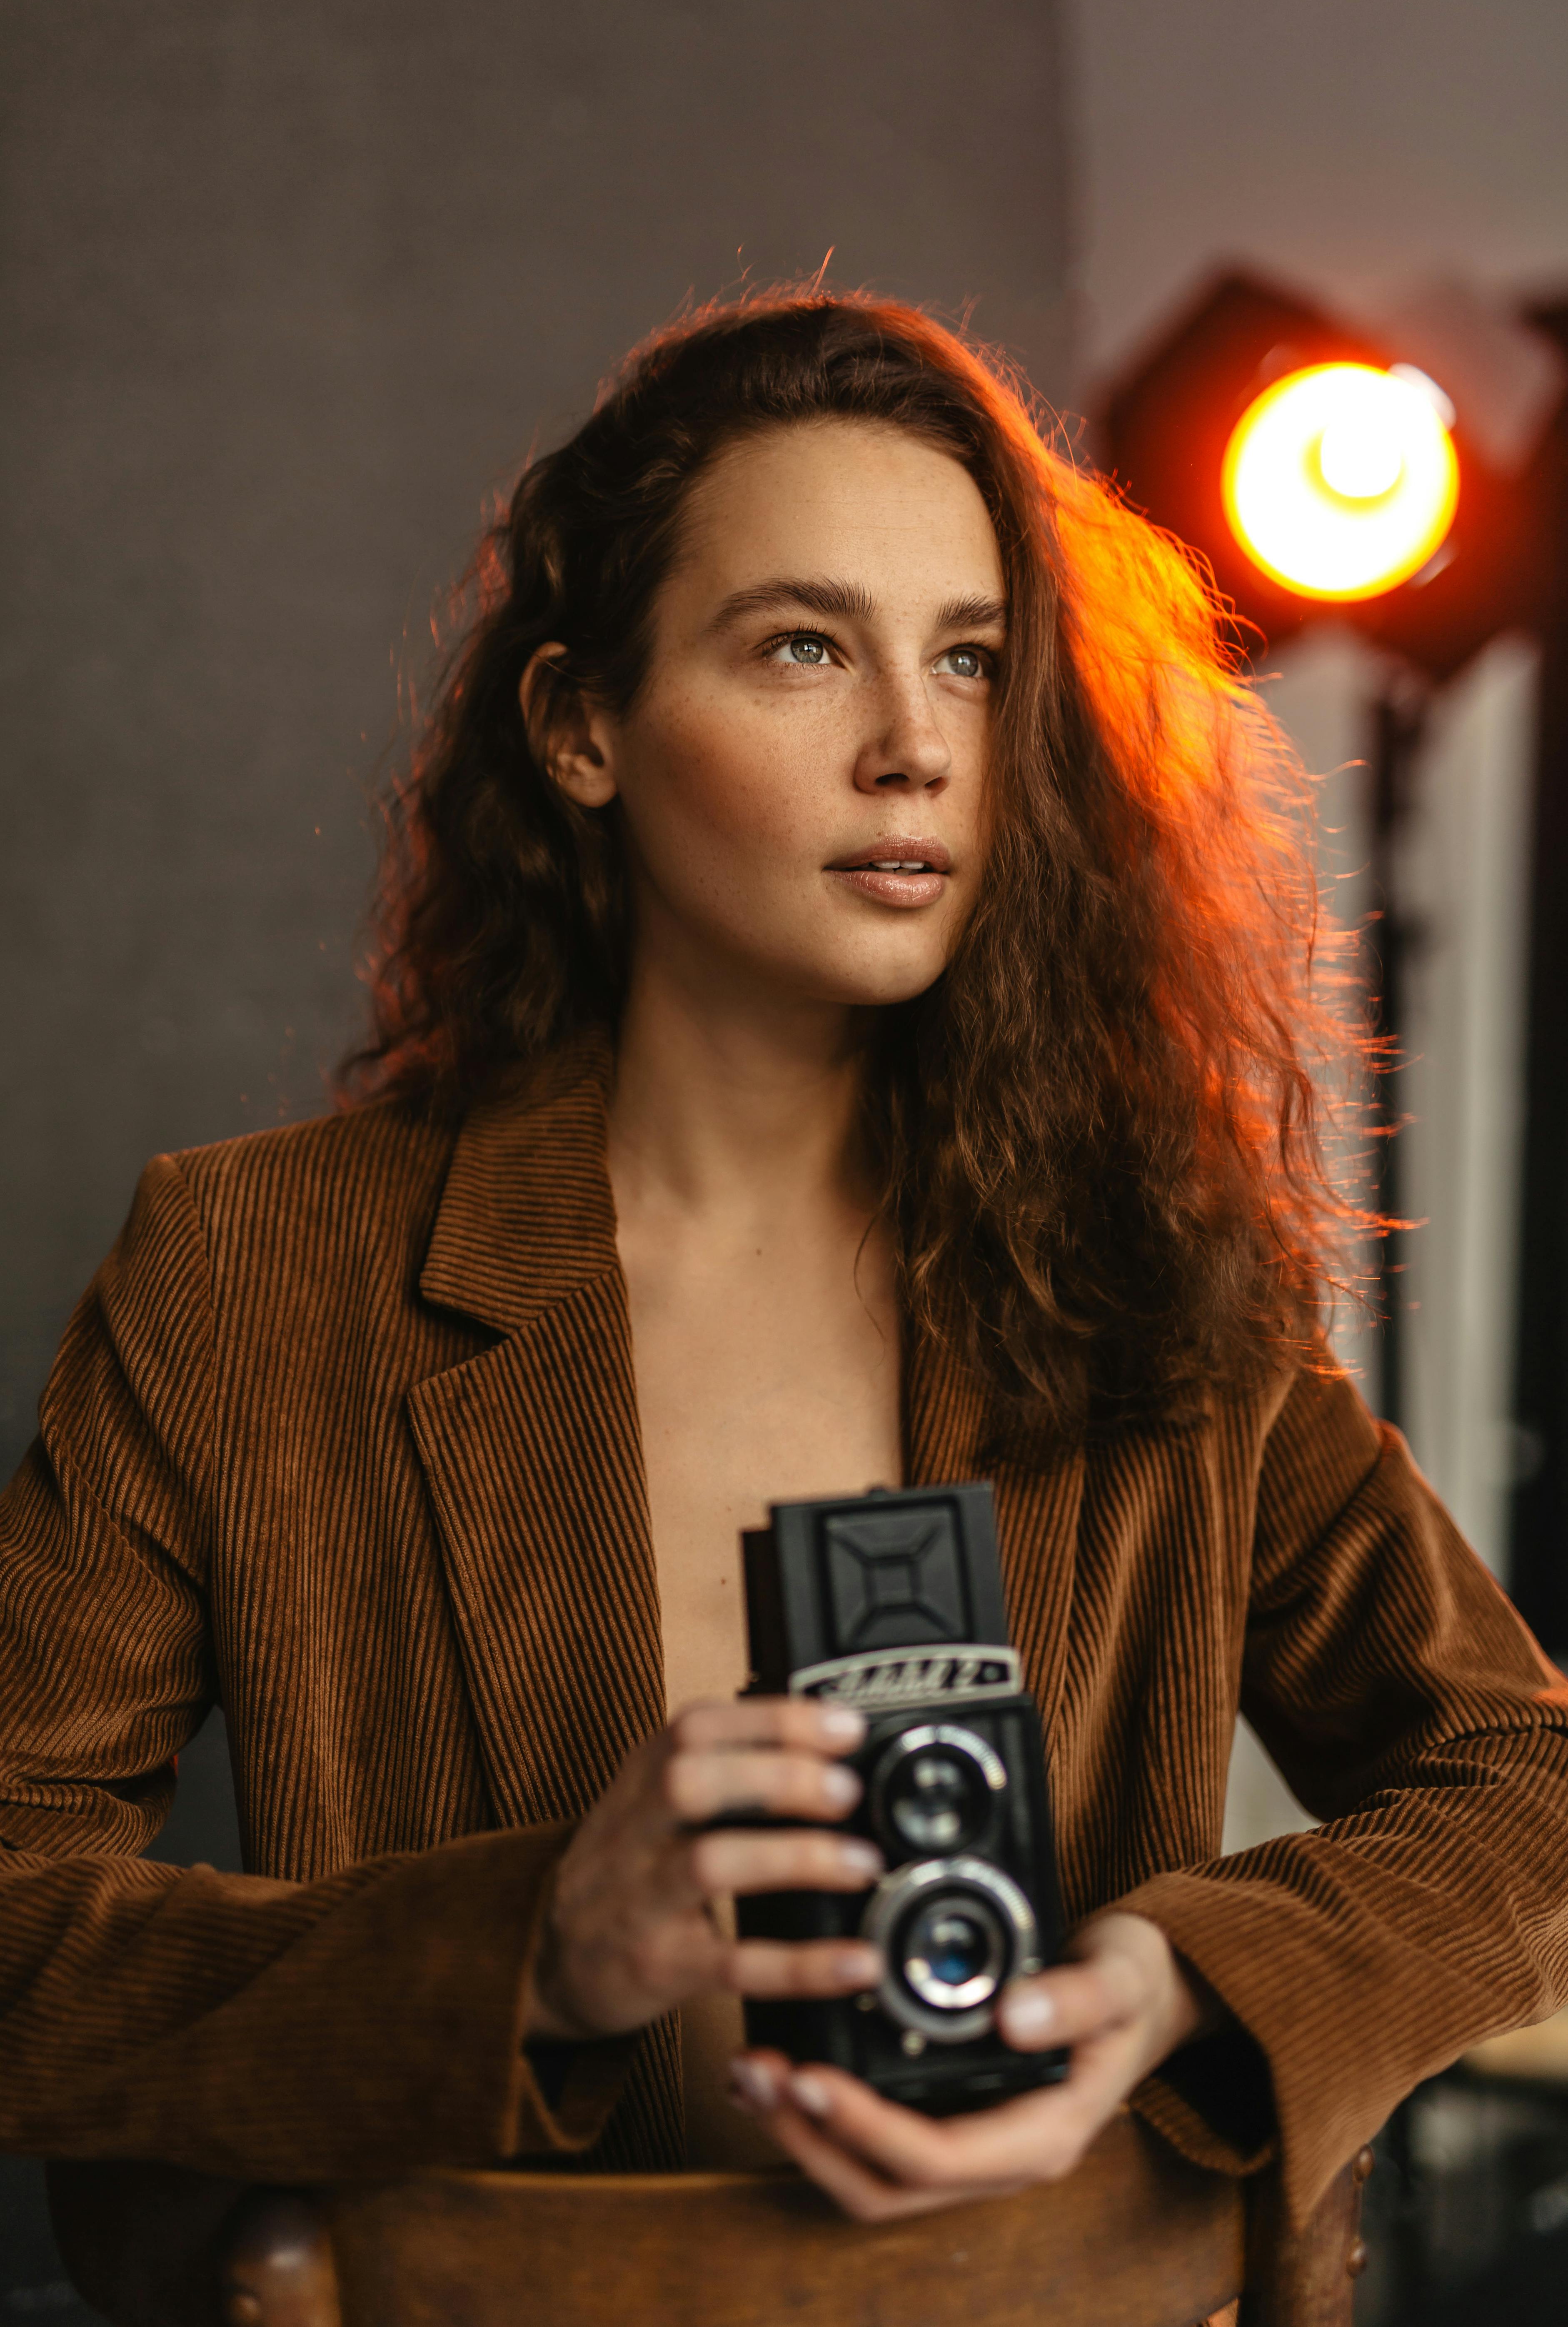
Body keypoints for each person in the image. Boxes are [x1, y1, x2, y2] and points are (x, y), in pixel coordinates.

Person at [2, 294, 1564, 2255]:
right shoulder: (251, 1274)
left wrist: (1180, 1983)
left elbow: (1526, 1787)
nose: (914, 748)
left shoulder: (1149, 1272)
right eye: (802, 648)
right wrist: (528, 1948)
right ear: (578, 727)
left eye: (973, 660)